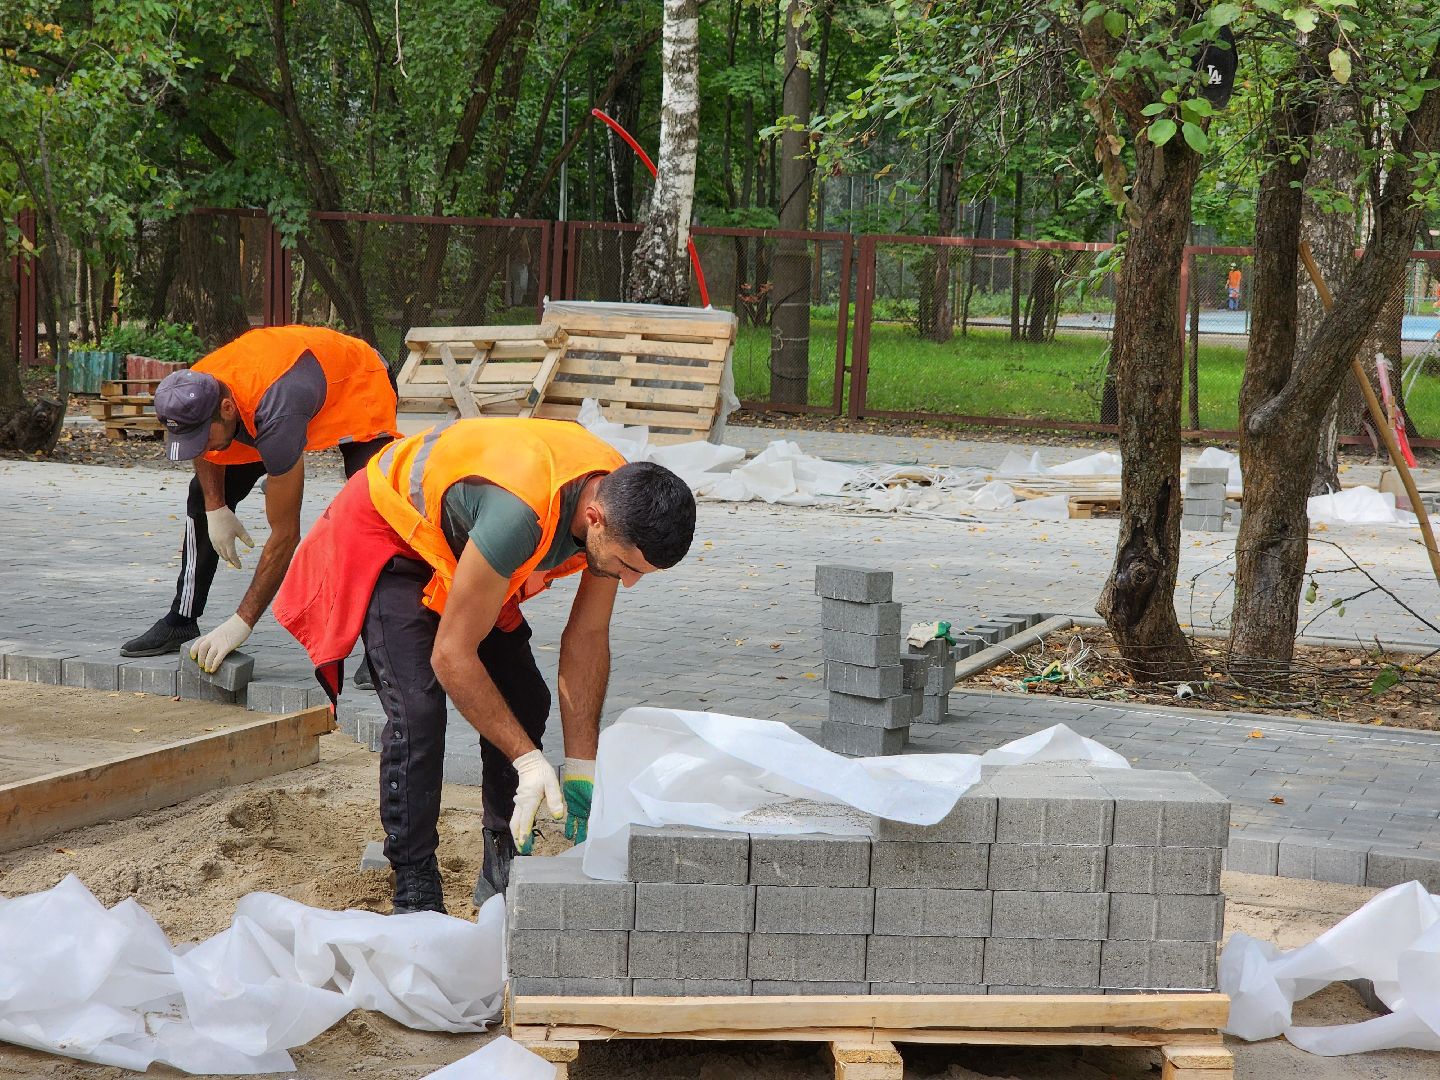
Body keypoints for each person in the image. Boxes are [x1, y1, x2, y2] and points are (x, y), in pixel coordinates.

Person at [272, 417, 696, 914]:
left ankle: (503, 851)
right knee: (419, 712)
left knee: (525, 697)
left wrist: (582, 763)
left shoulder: (622, 498)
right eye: (628, 567)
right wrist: (529, 760)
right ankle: (415, 883)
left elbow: (586, 637)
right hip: (390, 531)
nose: (629, 583)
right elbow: (451, 655)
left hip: (466, 541)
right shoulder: (521, 516)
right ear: (596, 518)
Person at [120, 326, 400, 674]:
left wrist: (242, 621)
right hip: (280, 386)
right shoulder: (199, 385)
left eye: (202, 439)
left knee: (371, 514)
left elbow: (285, 535)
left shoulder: (277, 413)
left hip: (358, 381)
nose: (201, 449)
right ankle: (181, 619)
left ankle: (385, 647)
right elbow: (202, 443)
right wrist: (214, 505)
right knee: (199, 494)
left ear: (225, 408)